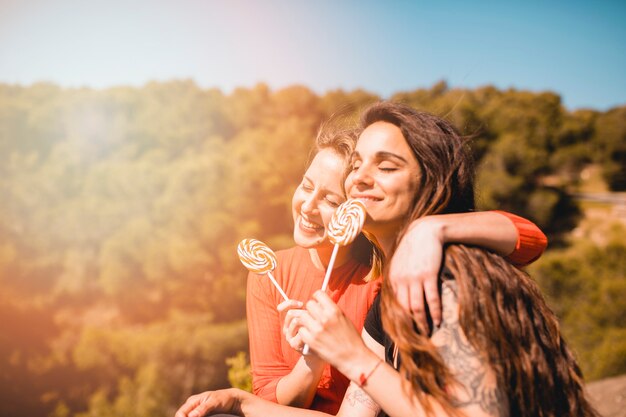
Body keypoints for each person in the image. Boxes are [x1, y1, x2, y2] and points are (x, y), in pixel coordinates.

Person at [176, 103, 573, 417]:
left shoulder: (441, 277)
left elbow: (532, 239)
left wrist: (432, 229)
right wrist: (241, 402)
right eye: (358, 165)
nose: (361, 177)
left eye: (385, 166)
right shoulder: (384, 310)